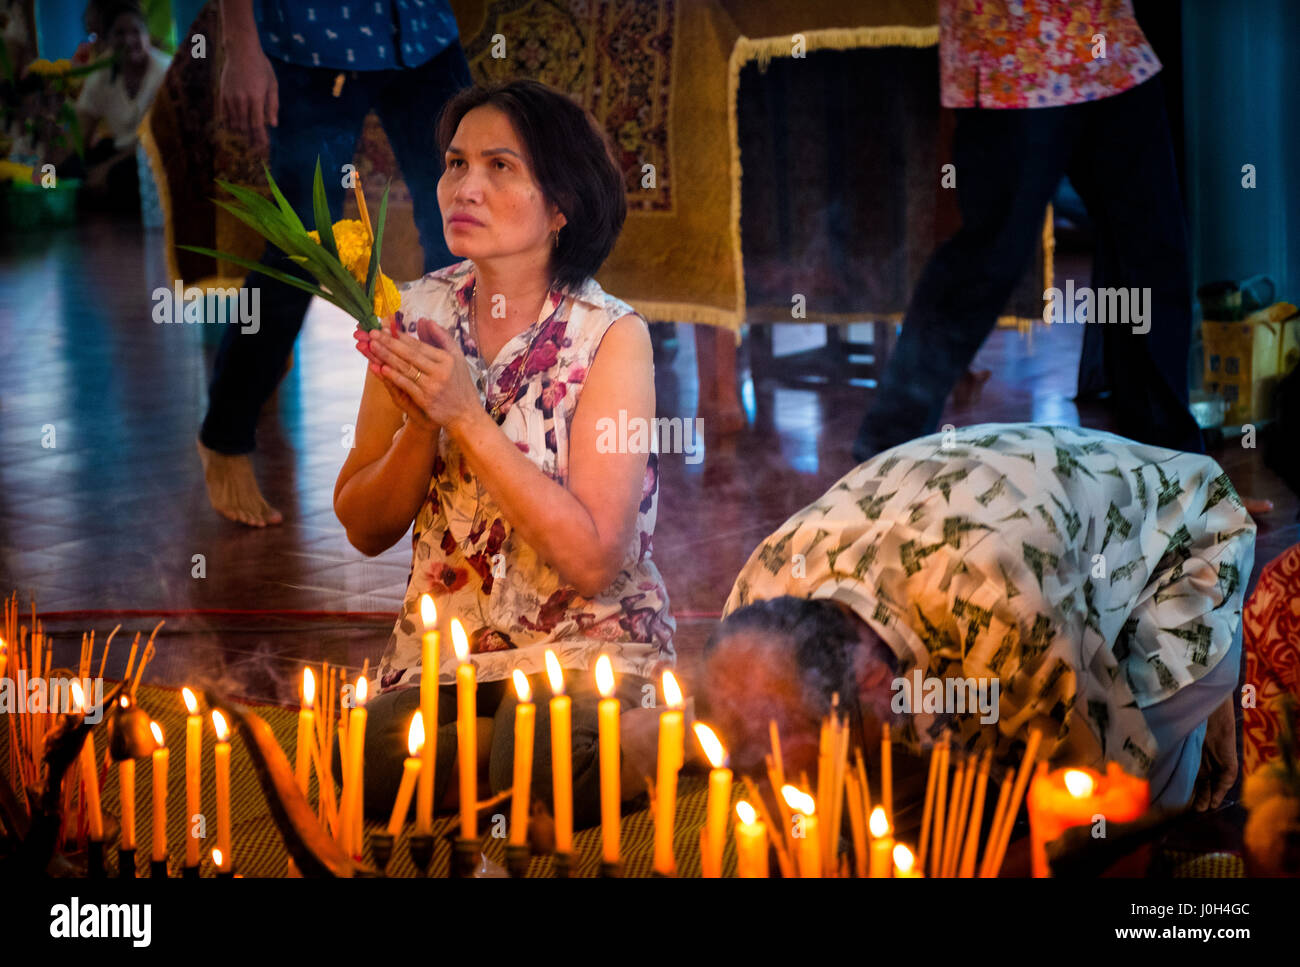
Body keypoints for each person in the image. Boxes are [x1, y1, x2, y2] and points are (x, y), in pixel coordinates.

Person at [335, 80, 676, 828]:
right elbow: (362, 524)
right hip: (446, 659)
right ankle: (499, 765)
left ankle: (506, 763)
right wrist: (422, 426)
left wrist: (466, 416)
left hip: (590, 648)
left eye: (500, 167)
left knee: (544, 755)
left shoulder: (611, 337)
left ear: (560, 206)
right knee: (362, 767)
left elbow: (592, 563)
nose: (466, 186)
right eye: (456, 164)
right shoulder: (415, 311)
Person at [703, 422, 1253, 824]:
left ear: (877, 683)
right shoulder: (755, 604)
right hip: (1005, 520)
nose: (806, 792)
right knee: (912, 807)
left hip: (1181, 545)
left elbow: (1098, 802)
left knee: (1130, 806)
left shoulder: (1011, 624)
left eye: (818, 767)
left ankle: (1210, 681)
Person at [852, 1, 1205, 467]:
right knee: (989, 257)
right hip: (1014, 48)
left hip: (1109, 45)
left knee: (1152, 249)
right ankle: (884, 456)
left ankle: (1174, 469)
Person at [197, 0, 471, 527]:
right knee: (302, 247)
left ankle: (462, 427)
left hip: (423, 31)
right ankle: (225, 435)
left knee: (461, 231)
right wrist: (242, 46)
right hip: (312, 40)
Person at [61, 2, 169, 211]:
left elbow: (153, 139)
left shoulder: (164, 73)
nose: (129, 41)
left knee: (122, 176)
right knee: (69, 171)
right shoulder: (100, 75)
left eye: (136, 32)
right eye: (119, 33)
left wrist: (106, 169)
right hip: (119, 150)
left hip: (153, 154)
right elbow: (80, 132)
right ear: (108, 39)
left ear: (147, 35)